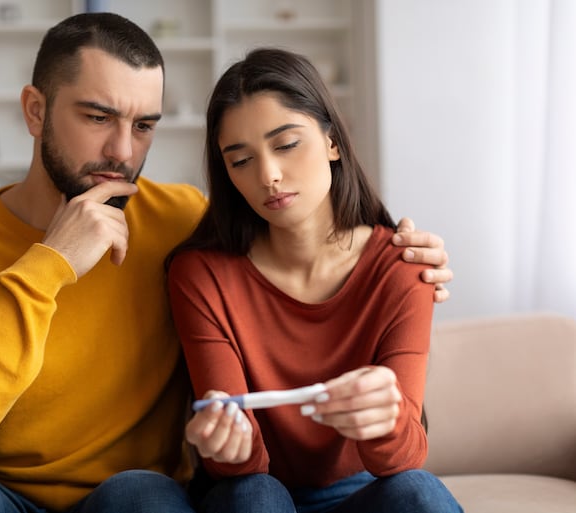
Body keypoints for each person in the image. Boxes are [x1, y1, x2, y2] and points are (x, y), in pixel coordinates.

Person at [0, 13, 453, 513]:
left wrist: (410, 254)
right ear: (35, 110)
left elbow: (289, 233)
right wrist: (49, 263)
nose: (123, 152)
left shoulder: (182, 223)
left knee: (145, 497)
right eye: (97, 117)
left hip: (131, 493)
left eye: (143, 125)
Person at [167, 48, 463, 513]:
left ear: (332, 142)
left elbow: (403, 458)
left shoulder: (404, 266)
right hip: (253, 487)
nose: (269, 175)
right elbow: (238, 468)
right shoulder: (202, 275)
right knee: (255, 497)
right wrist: (227, 446)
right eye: (240, 160)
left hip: (358, 488)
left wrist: (385, 421)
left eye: (286, 144)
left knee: (419, 492)